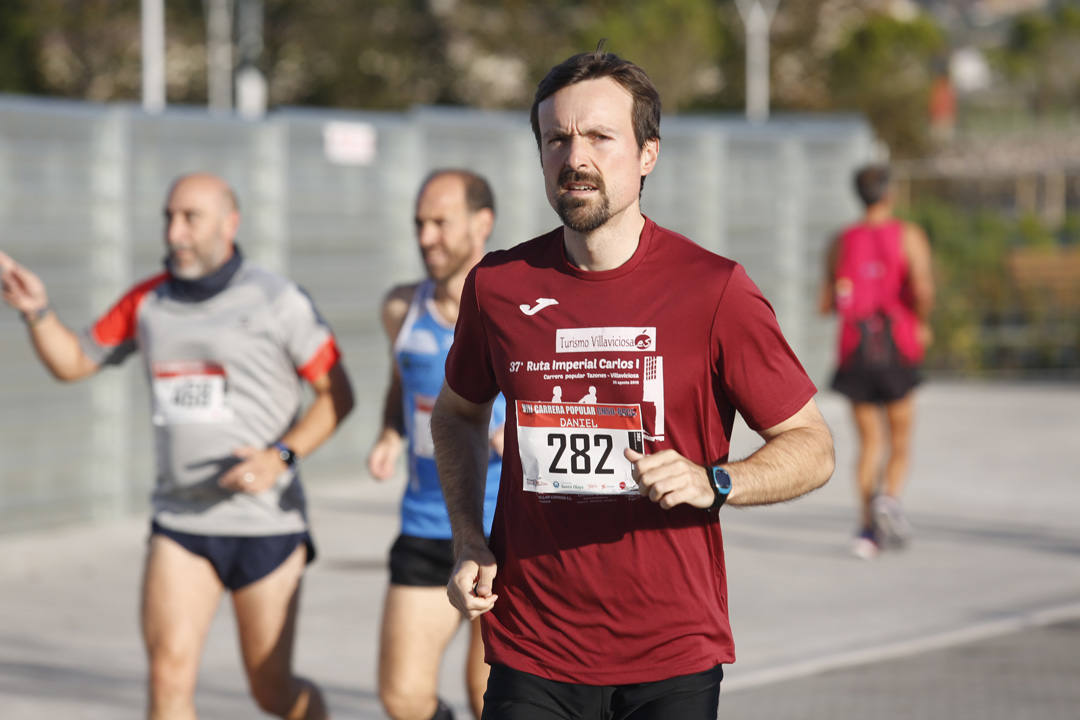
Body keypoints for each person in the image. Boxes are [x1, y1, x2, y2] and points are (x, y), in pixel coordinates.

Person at [429, 48, 835, 720]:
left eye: (599, 136)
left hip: (669, 653)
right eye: (556, 139)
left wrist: (718, 480)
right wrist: (469, 536)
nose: (575, 156)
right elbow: (456, 415)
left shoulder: (714, 289)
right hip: (533, 646)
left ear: (648, 153)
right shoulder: (498, 287)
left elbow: (811, 444)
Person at [0, 172, 354, 720]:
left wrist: (278, 456)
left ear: (229, 224)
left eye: (190, 217)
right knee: (168, 678)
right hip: (181, 522)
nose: (175, 231)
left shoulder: (275, 299)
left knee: (271, 691)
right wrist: (37, 312)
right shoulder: (148, 302)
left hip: (265, 526)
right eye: (169, 217)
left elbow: (338, 396)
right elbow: (74, 362)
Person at [367, 169, 505, 720]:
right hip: (427, 525)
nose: (426, 237)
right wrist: (391, 430)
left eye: (440, 223)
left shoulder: (516, 312)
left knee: (489, 699)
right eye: (419, 224)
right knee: (402, 698)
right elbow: (403, 381)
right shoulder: (402, 308)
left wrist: (515, 433)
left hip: (506, 531)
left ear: (482, 224)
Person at [819, 163, 934, 560]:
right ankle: (889, 499)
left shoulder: (841, 241)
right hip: (896, 345)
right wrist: (919, 320)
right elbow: (921, 286)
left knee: (868, 443)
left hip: (855, 349)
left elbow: (826, 301)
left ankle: (867, 531)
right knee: (900, 439)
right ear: (889, 194)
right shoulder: (909, 236)